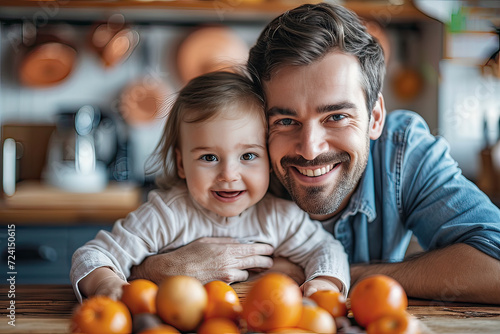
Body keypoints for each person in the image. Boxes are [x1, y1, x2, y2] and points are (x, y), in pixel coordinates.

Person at [130, 3, 500, 304]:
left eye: (336, 116)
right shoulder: (236, 168)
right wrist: (153, 270)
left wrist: (333, 276)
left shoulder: (404, 151)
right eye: (286, 120)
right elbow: (115, 261)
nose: (310, 149)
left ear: (374, 118)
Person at [70, 71, 349, 302]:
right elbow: (92, 256)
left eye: (248, 156)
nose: (228, 175)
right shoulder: (166, 215)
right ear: (181, 164)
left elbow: (326, 250)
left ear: (268, 158)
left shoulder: (279, 217)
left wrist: (324, 281)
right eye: (209, 157)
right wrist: (105, 283)